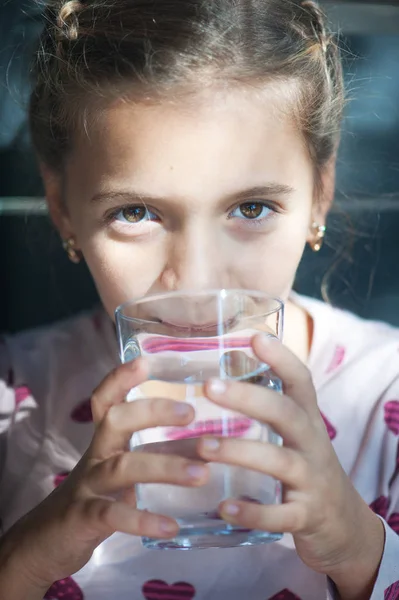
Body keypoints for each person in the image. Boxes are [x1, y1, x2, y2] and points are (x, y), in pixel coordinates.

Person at [0, 0, 398, 598]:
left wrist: (361, 549)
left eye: (251, 208)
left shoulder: (386, 399)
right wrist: (27, 559)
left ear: (320, 193)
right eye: (134, 212)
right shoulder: (13, 399)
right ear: (62, 207)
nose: (195, 280)